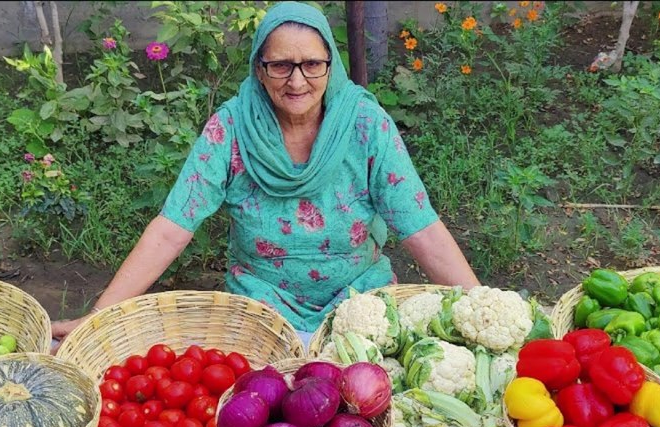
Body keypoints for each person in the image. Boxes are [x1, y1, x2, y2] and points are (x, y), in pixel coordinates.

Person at [51, 1, 480, 347]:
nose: (297, 81)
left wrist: (483, 308)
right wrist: (96, 317)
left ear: (331, 66)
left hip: (359, 303)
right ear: (259, 68)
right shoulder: (232, 127)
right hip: (260, 312)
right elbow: (171, 228)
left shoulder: (365, 124)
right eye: (280, 65)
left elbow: (420, 228)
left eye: (312, 64)